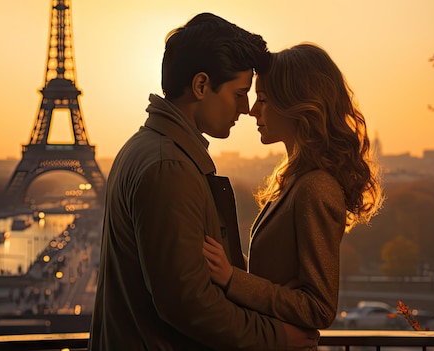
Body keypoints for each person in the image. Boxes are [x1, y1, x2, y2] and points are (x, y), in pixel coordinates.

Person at [88, 13, 319, 351]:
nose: (245, 108)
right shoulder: (169, 167)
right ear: (200, 86)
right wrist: (278, 337)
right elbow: (188, 304)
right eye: (239, 93)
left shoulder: (148, 149)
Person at [203, 43, 383, 331]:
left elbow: (320, 309)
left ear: (295, 104)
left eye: (262, 99)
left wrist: (231, 277)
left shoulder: (316, 187)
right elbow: (274, 273)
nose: (251, 110)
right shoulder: (296, 181)